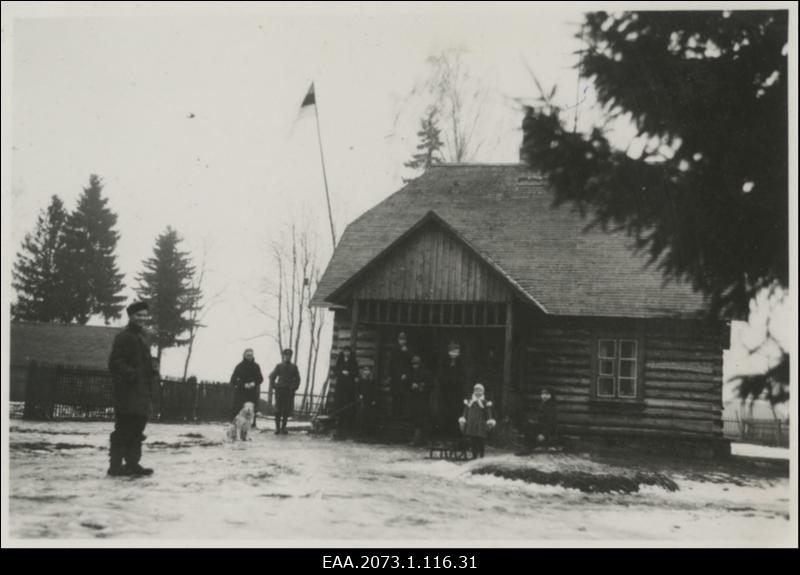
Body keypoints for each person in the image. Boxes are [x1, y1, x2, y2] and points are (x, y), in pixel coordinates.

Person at [107, 301, 158, 477]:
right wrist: (133, 375)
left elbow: (143, 362)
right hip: (128, 393)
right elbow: (115, 363)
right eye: (139, 315)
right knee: (123, 429)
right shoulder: (124, 336)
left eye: (145, 315)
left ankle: (132, 464)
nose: (142, 318)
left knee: (137, 430)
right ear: (130, 316)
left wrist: (152, 369)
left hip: (142, 392)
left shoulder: (143, 337)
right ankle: (115, 466)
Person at [437, 341, 468, 439]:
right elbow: (440, 376)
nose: (454, 354)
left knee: (457, 414)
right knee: (445, 414)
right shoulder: (444, 362)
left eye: (456, 352)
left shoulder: (461, 363)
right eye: (452, 351)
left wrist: (456, 381)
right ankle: (445, 436)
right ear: (449, 352)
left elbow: (464, 377)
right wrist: (448, 381)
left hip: (457, 393)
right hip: (445, 393)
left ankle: (456, 436)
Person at [458, 383, 496, 459]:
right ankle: (474, 456)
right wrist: (463, 418)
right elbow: (465, 411)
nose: (478, 392)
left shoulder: (485, 402)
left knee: (481, 440)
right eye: (476, 390)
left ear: (483, 392)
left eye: (480, 391)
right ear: (474, 391)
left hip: (481, 424)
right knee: (473, 440)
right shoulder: (470, 401)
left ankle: (482, 456)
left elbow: (488, 412)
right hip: (471, 423)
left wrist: (489, 420)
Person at [517, 387, 559, 455]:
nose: (544, 396)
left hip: (549, 430)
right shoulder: (544, 404)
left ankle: (528, 448)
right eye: (542, 394)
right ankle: (527, 446)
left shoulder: (552, 406)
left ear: (551, 395)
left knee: (529, 426)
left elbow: (550, 422)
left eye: (547, 394)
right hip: (543, 426)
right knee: (528, 424)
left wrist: (543, 434)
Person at [269, 349, 301, 435]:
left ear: (291, 356)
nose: (287, 357)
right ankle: (277, 428)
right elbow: (272, 376)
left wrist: (294, 388)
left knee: (286, 410)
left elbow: (298, 379)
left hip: (289, 391)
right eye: (286, 355)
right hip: (280, 391)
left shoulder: (294, 367)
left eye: (289, 356)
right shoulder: (279, 366)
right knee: (278, 410)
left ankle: (284, 427)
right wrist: (275, 386)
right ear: (284, 356)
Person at [230, 348, 264, 427]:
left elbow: (260, 379)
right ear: (244, 356)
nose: (249, 357)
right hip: (241, 393)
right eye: (248, 355)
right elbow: (233, 380)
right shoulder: (239, 366)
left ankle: (252, 425)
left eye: (251, 355)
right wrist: (243, 384)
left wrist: (254, 383)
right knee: (239, 410)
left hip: (252, 392)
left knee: (252, 409)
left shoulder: (256, 366)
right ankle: (237, 426)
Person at [406, 354, 433, 446]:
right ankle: (416, 439)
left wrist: (420, 386)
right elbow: (407, 383)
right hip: (414, 399)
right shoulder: (410, 373)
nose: (415, 366)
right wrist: (411, 386)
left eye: (416, 364)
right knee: (415, 419)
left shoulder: (425, 373)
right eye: (413, 364)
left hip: (423, 399)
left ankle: (423, 439)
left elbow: (430, 383)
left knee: (423, 419)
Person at [333, 346, 359, 437]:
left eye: (348, 351)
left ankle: (347, 426)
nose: (346, 353)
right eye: (345, 351)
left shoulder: (353, 361)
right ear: (343, 352)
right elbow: (335, 371)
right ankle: (339, 424)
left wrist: (350, 373)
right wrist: (341, 372)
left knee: (348, 403)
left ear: (350, 353)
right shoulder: (340, 360)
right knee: (339, 403)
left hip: (349, 387)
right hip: (340, 386)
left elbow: (356, 372)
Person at [387, 331, 412, 418]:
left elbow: (410, 362)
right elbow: (391, 363)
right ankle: (395, 415)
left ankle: (403, 415)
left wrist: (406, 374)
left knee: (404, 396)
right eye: (401, 339)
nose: (402, 341)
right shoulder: (394, 349)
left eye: (404, 339)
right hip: (395, 376)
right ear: (398, 340)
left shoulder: (408, 349)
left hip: (405, 376)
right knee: (395, 395)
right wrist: (390, 375)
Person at [355, 364, 377, 438]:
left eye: (368, 370)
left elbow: (374, 391)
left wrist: (374, 399)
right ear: (363, 372)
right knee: (360, 416)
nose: (366, 372)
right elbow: (357, 390)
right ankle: (359, 431)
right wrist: (359, 396)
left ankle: (367, 431)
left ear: (370, 372)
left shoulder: (372, 381)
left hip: (369, 401)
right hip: (362, 401)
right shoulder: (360, 380)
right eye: (365, 370)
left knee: (369, 416)